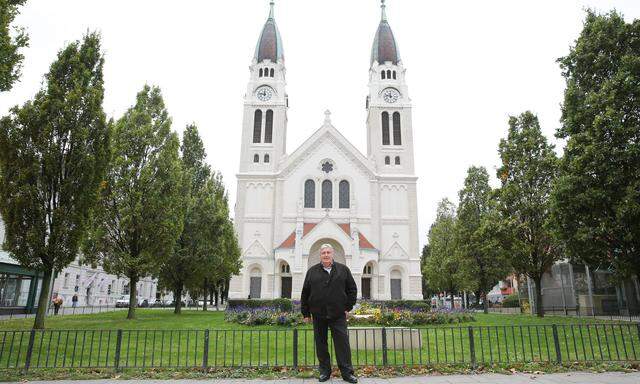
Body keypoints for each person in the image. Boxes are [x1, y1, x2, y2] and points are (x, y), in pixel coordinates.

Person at [301, 243, 358, 383]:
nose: (326, 255)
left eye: (328, 252)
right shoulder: (312, 271)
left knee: (342, 344)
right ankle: (324, 372)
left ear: (333, 254)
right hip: (318, 314)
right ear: (320, 255)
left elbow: (352, 289)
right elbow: (305, 293)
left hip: (338, 314)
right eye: (323, 253)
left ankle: (347, 373)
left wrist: (347, 307)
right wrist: (306, 314)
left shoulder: (343, 270)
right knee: (321, 344)